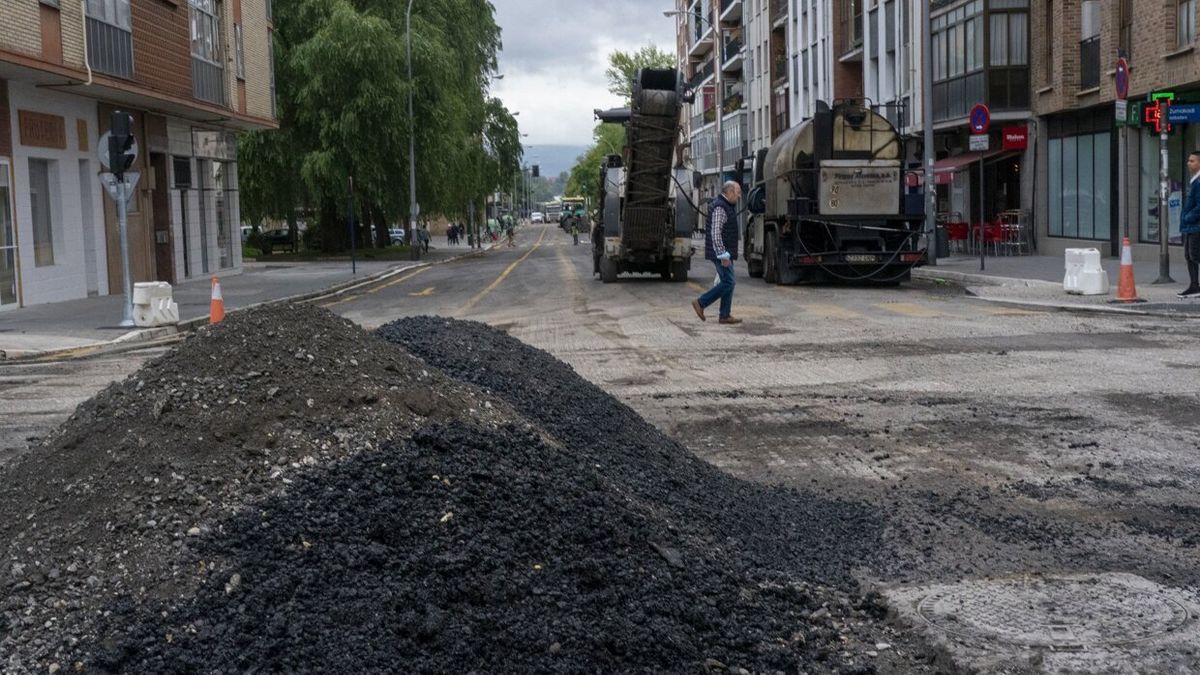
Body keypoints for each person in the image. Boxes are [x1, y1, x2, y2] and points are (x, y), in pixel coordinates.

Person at [691, 181, 743, 325]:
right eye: (738, 193)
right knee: (728, 282)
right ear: (730, 192)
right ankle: (701, 303)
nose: (739, 197)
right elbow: (715, 233)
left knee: (729, 282)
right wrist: (722, 255)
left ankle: (724, 315)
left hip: (725, 252)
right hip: (721, 253)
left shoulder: (726, 206)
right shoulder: (720, 207)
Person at [1180, 151, 1200, 298]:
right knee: (1189, 255)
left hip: (1196, 226)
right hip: (1190, 226)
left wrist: (1188, 217)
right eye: (1188, 160)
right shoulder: (1194, 180)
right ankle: (1194, 285)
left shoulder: (1199, 182)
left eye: (1192, 161)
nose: (1188, 163)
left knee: (1195, 255)